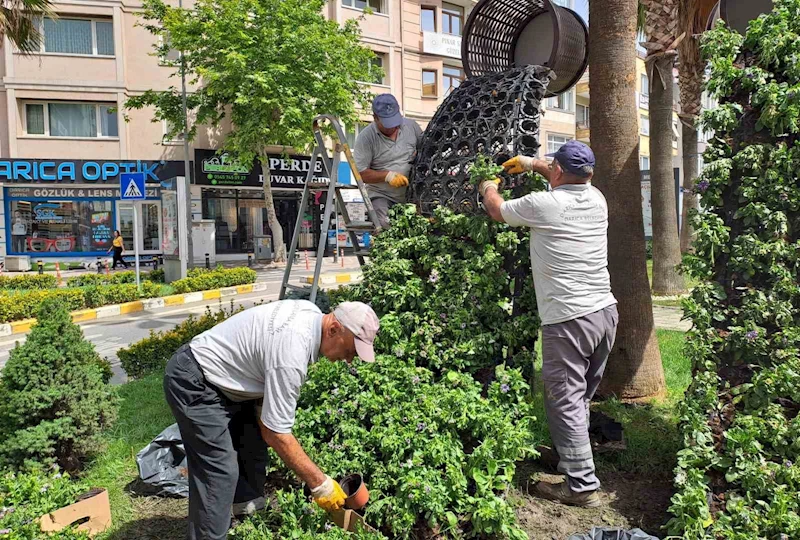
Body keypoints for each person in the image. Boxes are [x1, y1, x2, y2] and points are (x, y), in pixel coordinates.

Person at [163, 300, 380, 539]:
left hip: (230, 383)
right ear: (334, 329)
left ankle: (248, 524)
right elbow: (276, 433)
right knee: (218, 471)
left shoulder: (311, 315)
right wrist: (321, 485)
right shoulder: (292, 352)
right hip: (196, 380)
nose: (349, 360)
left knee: (253, 446)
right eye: (350, 351)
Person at [478, 141, 618, 508]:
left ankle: (581, 486)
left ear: (558, 171)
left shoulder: (545, 205)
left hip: (569, 319)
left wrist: (487, 185)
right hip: (604, 313)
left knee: (564, 400)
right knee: (580, 396)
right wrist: (528, 163)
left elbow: (496, 210)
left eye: (551, 166)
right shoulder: (597, 198)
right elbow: (560, 173)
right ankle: (569, 457)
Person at [354, 94, 423, 229]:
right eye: (388, 124)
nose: (394, 127)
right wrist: (387, 176)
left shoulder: (411, 126)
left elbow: (426, 149)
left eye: (396, 121)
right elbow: (360, 173)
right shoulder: (366, 139)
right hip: (382, 195)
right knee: (386, 225)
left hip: (412, 194)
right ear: (375, 118)